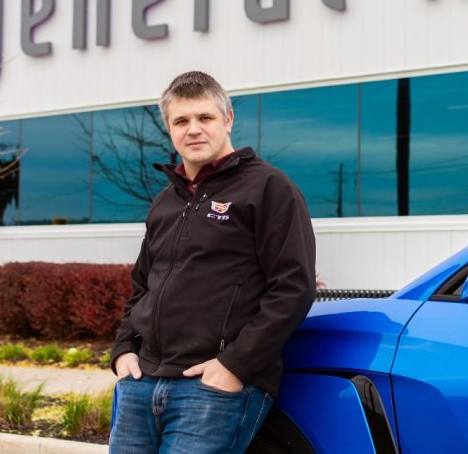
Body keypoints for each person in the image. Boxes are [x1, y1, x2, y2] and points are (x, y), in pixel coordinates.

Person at [109, 71, 316, 453]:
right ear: (168, 128)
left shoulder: (268, 188)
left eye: (205, 118)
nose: (194, 130)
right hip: (141, 383)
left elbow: (293, 288)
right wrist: (123, 350)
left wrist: (235, 365)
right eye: (181, 121)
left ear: (228, 119)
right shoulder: (165, 201)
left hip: (211, 388)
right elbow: (143, 284)